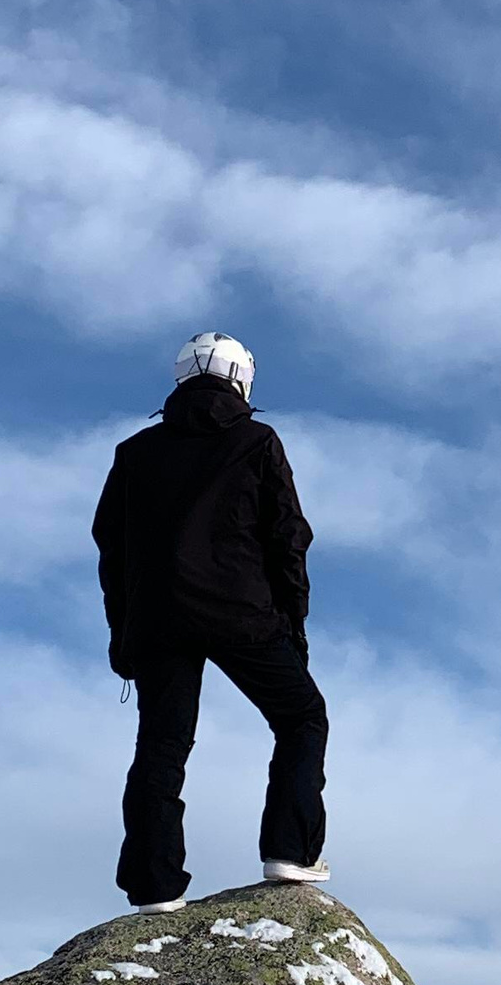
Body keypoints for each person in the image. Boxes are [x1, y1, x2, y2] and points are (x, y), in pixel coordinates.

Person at [92, 332, 329, 902]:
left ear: (181, 380)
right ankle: (290, 853)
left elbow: (112, 549)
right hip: (241, 610)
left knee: (162, 745)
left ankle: (153, 885)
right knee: (302, 716)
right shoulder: (257, 441)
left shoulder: (135, 453)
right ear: (242, 380)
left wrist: (123, 634)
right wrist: (294, 624)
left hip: (157, 619)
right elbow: (287, 538)